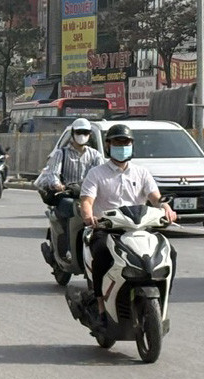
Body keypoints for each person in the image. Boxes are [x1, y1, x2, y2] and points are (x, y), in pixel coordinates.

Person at [80, 124, 177, 319]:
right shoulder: (96, 173)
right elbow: (86, 201)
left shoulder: (141, 173)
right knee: (100, 254)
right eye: (117, 142)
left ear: (132, 145)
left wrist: (166, 208)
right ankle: (100, 305)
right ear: (108, 146)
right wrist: (89, 216)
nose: (122, 146)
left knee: (170, 252)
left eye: (126, 142)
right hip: (108, 229)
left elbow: (155, 198)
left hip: (139, 228)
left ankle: (163, 298)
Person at [36, 118, 104, 260]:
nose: (82, 135)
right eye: (79, 132)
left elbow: (100, 176)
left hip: (88, 196)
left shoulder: (95, 155)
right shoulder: (61, 153)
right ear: (72, 134)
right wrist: (58, 185)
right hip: (68, 195)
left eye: (85, 132)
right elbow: (53, 174)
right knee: (68, 208)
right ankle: (67, 249)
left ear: (90, 135)